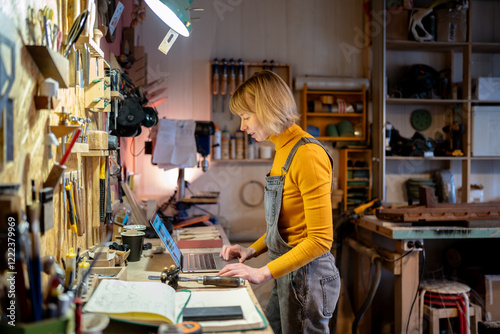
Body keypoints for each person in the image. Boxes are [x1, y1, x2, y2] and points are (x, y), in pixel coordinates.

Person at [218, 70, 340, 333]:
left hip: (308, 276)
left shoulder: (307, 154)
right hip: (288, 271)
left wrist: (262, 272)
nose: (242, 126)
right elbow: (285, 226)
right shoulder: (282, 148)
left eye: (246, 117)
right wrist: (253, 251)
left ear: (267, 109)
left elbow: (320, 239)